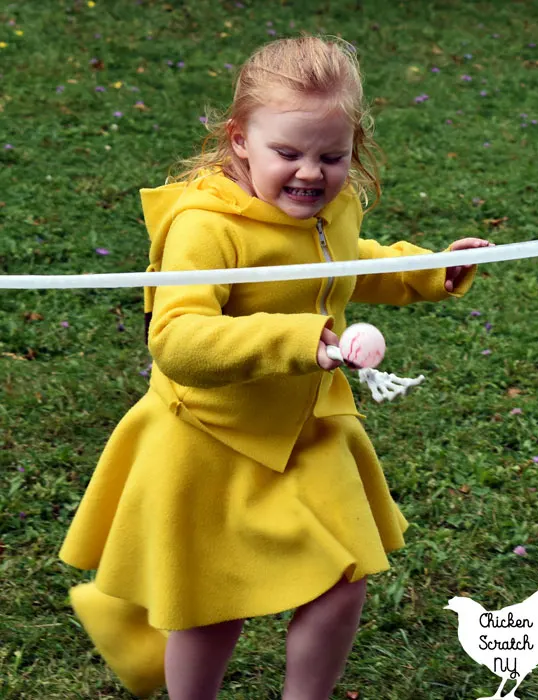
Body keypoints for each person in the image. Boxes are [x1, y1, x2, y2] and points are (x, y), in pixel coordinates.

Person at [59, 35, 493, 700]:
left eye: (332, 156)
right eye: (287, 154)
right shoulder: (205, 228)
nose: (312, 174)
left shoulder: (331, 208)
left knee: (342, 581)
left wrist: (433, 268)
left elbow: (352, 263)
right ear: (239, 139)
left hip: (307, 430)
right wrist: (302, 342)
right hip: (211, 437)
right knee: (211, 606)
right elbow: (178, 340)